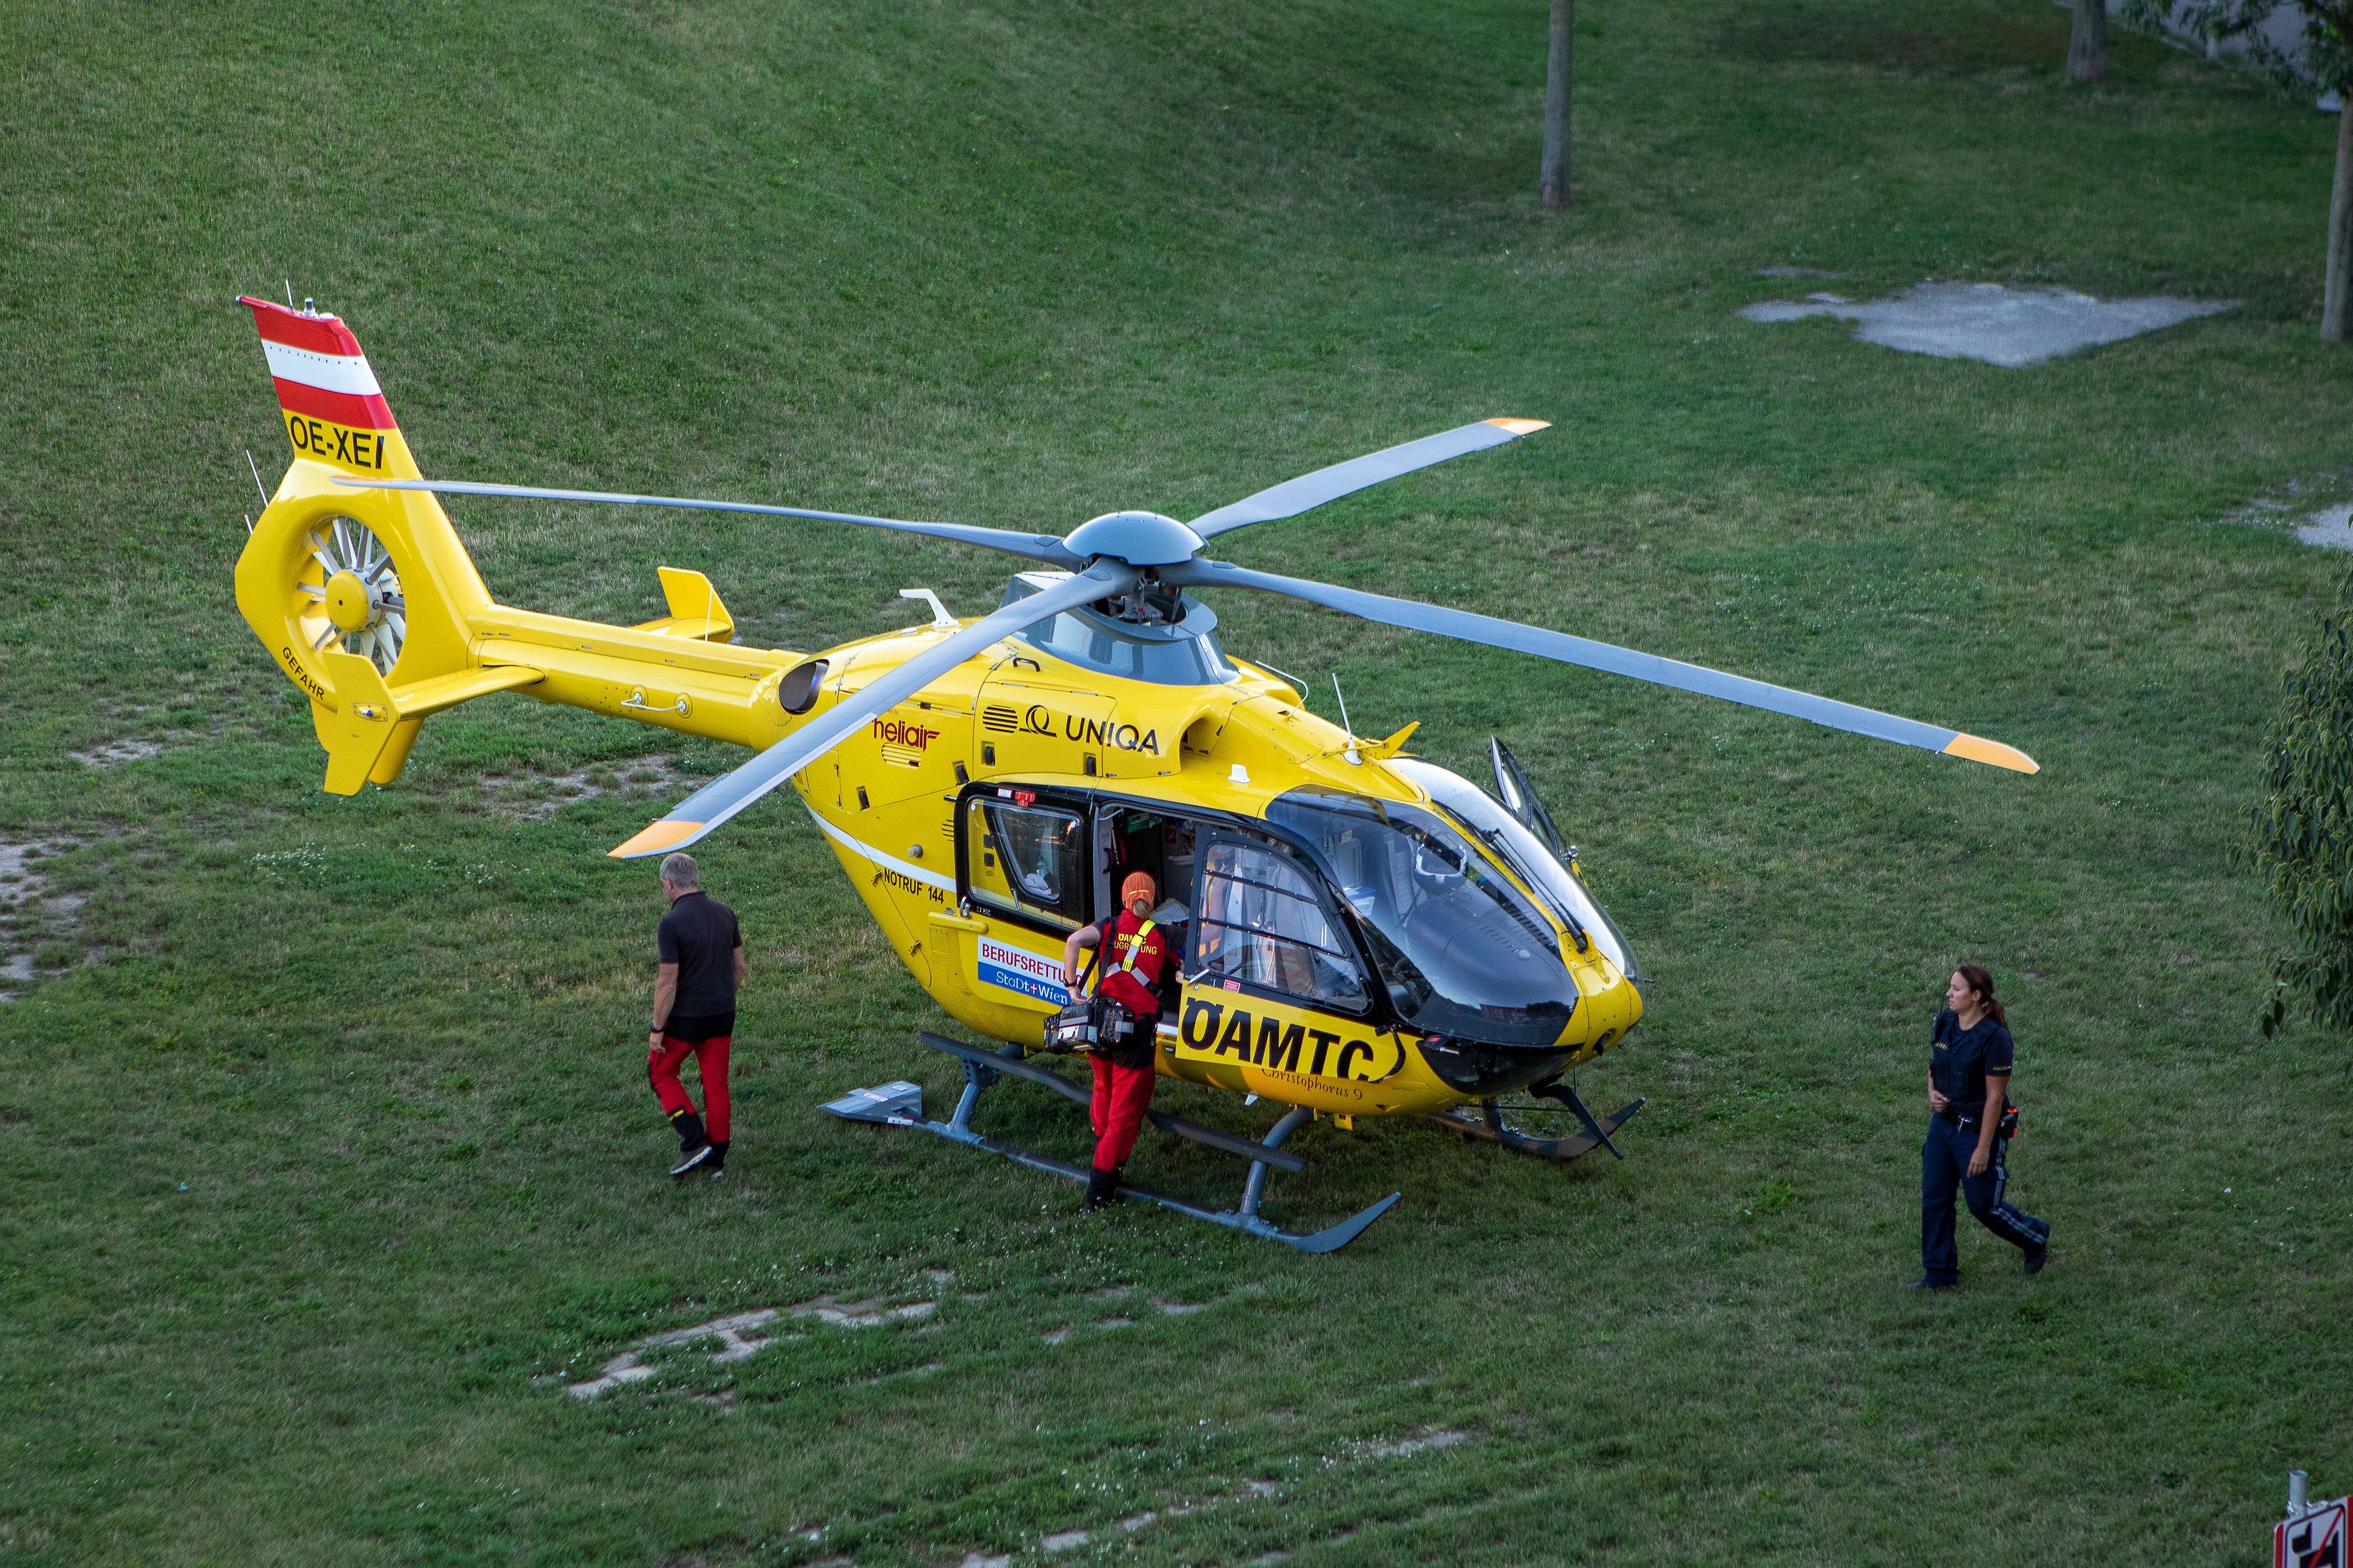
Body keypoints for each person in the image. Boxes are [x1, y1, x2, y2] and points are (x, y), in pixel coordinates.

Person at [1912, 963, 2049, 1288]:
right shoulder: (1946, 1022)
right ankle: (1940, 1274)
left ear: (1976, 996)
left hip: (1976, 1132)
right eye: (1950, 987)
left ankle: (2034, 1236)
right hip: (1943, 1127)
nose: (1949, 994)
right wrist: (1931, 1092)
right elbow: (1934, 1065)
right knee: (1935, 1200)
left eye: (1956, 989)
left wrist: (1983, 1148)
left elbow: (1994, 1098)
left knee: (1984, 1205)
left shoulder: (1995, 1039)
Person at [1061, 871, 1168, 1212]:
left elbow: (1073, 941)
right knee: (1124, 1117)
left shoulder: (1107, 926)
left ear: (1124, 898)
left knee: (1103, 1090)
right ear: (1153, 899)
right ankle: (1099, 1194)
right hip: (1135, 1035)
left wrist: (1072, 988)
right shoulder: (1164, 935)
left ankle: (1102, 1147)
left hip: (1102, 1025)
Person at [647, 852, 743, 1179]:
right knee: (716, 1085)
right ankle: (717, 1158)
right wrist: (726, 996)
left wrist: (657, 1028)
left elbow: (668, 983)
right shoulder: (725, 913)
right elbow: (739, 966)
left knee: (660, 1072)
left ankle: (694, 1141)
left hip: (687, 1019)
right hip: (723, 1012)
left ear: (669, 883)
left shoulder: (671, 923)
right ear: (695, 878)